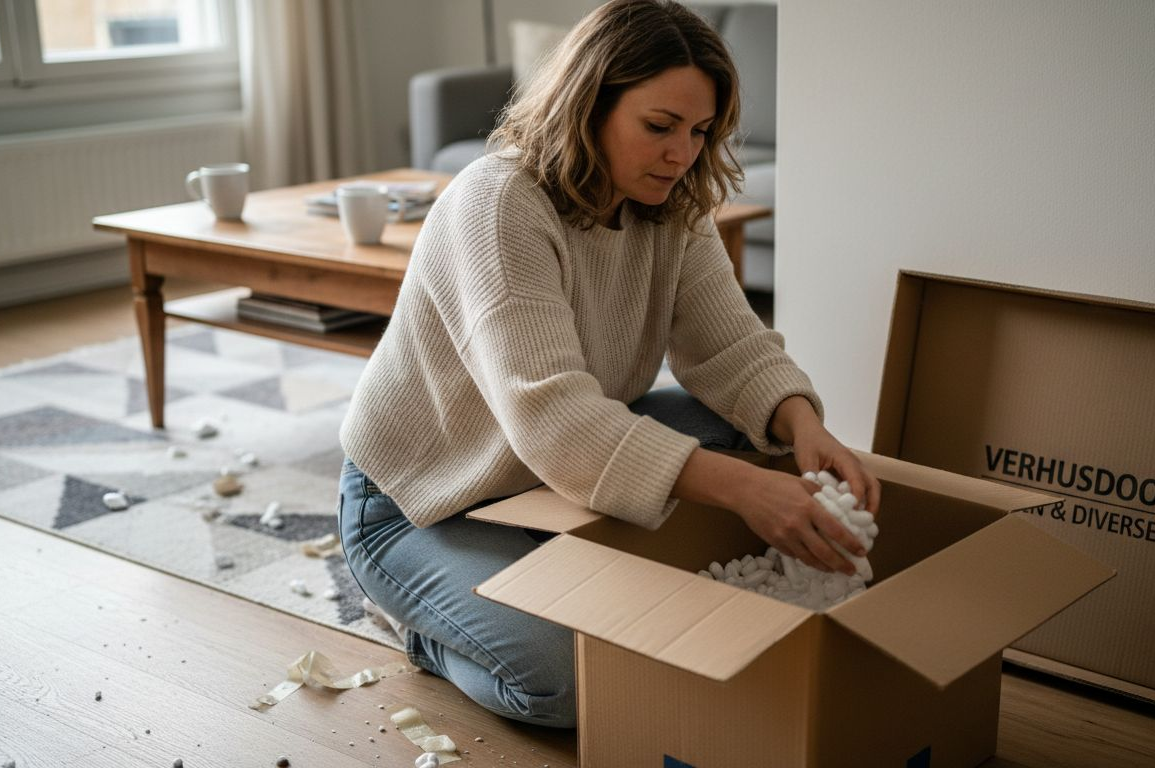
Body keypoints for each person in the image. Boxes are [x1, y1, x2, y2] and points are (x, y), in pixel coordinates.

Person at [337, 0, 880, 729]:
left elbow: (731, 347)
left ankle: (562, 566)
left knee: (762, 439)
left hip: (539, 480)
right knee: (572, 681)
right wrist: (747, 492)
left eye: (699, 131)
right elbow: (554, 419)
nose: (683, 154)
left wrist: (803, 422)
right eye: (660, 127)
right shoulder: (499, 205)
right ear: (588, 105)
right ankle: (423, 634)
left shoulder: (672, 207)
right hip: (419, 503)